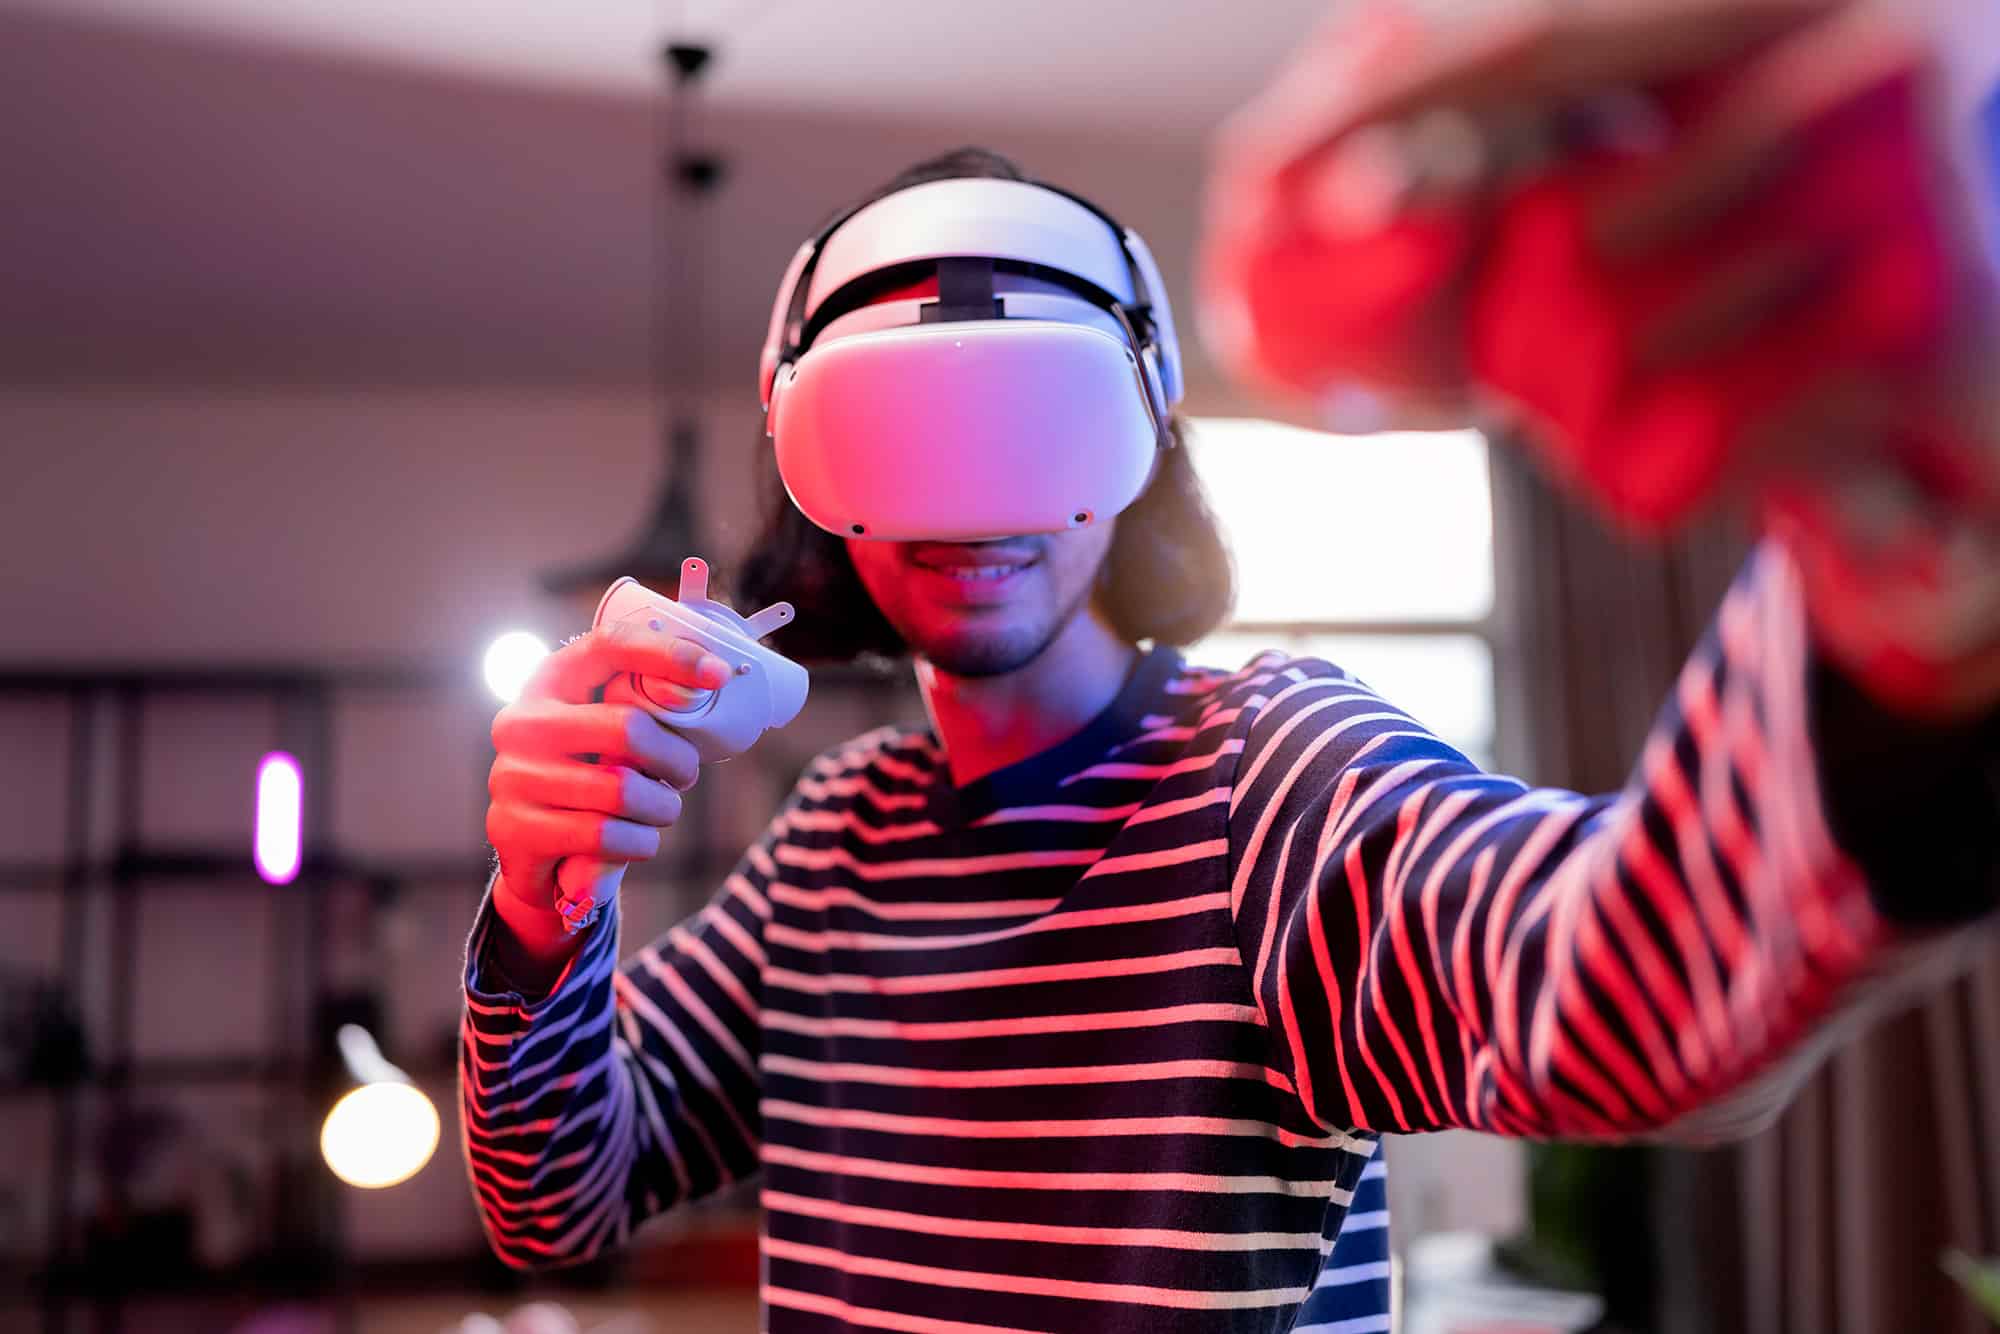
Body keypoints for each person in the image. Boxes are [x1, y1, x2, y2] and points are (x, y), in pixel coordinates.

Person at [463, 57, 1998, 1334]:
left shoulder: (1269, 785)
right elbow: (557, 1194)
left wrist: (1903, 561)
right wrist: (541, 913)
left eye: (1036, 419)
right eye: (907, 430)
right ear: (817, 470)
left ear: (1140, 449)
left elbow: (1619, 983)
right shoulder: (829, 845)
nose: (978, 500)